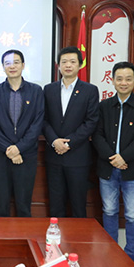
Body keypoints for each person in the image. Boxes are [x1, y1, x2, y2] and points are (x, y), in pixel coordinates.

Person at [93, 61, 134, 262]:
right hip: (108, 168)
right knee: (109, 211)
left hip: (133, 169)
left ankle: (130, 256)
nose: (123, 82)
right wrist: (113, 158)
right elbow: (97, 135)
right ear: (112, 81)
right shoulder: (104, 106)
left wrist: (124, 157)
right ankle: (111, 253)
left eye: (128, 79)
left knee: (133, 215)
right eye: (119, 79)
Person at [0, 49, 44, 217]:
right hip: (1, 156)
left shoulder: (35, 91)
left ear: (23, 65)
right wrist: (9, 149)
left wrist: (18, 148)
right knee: (1, 205)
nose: (12, 66)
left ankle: (24, 235)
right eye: (8, 63)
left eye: (16, 62)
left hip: (26, 155)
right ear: (3, 67)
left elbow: (37, 123)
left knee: (23, 205)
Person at [43, 46, 99, 218]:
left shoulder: (90, 90)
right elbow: (43, 119)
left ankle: (78, 237)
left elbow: (91, 121)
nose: (68, 65)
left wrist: (69, 143)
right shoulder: (49, 89)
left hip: (78, 157)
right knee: (56, 205)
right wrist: (54, 141)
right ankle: (55, 236)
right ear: (58, 65)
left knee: (78, 205)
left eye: (73, 62)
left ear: (80, 65)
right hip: (54, 156)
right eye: (64, 62)